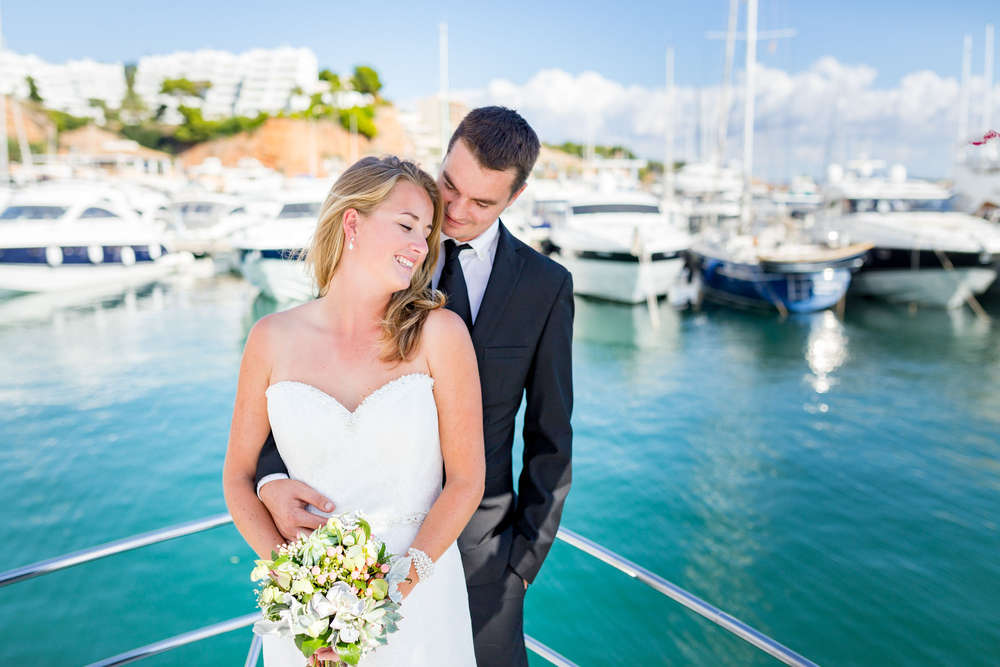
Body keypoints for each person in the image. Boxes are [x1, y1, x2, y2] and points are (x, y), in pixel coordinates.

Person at [256, 106, 574, 667]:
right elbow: (302, 389)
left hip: (483, 559)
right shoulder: (381, 247)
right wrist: (270, 480)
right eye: (450, 186)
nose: (454, 211)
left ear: (514, 199)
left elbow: (552, 435)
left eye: (482, 203)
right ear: (444, 158)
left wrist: (523, 565)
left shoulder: (545, 287)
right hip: (340, 561)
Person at [223, 156, 484, 666]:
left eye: (426, 232)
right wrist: (298, 584)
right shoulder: (270, 338)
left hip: (419, 602)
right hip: (309, 615)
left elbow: (467, 482)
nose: (420, 244)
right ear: (352, 222)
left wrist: (387, 596)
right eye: (406, 225)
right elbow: (237, 476)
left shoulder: (440, 334)